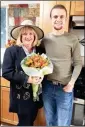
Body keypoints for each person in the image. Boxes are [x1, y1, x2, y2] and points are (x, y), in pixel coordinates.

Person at [41, 5, 82, 126]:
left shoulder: (72, 39)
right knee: (50, 121)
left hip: (65, 88)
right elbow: (41, 61)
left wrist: (71, 83)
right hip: (47, 87)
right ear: (51, 18)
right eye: (55, 16)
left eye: (61, 16)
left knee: (63, 123)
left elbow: (78, 63)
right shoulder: (45, 39)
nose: (58, 19)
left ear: (65, 19)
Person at [2, 20, 45, 126]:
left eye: (31, 33)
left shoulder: (40, 50)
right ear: (20, 36)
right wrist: (27, 79)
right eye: (25, 34)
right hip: (21, 96)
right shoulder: (11, 51)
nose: (28, 36)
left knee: (30, 120)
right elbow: (6, 72)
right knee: (25, 122)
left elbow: (44, 68)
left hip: (36, 96)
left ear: (35, 36)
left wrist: (42, 76)